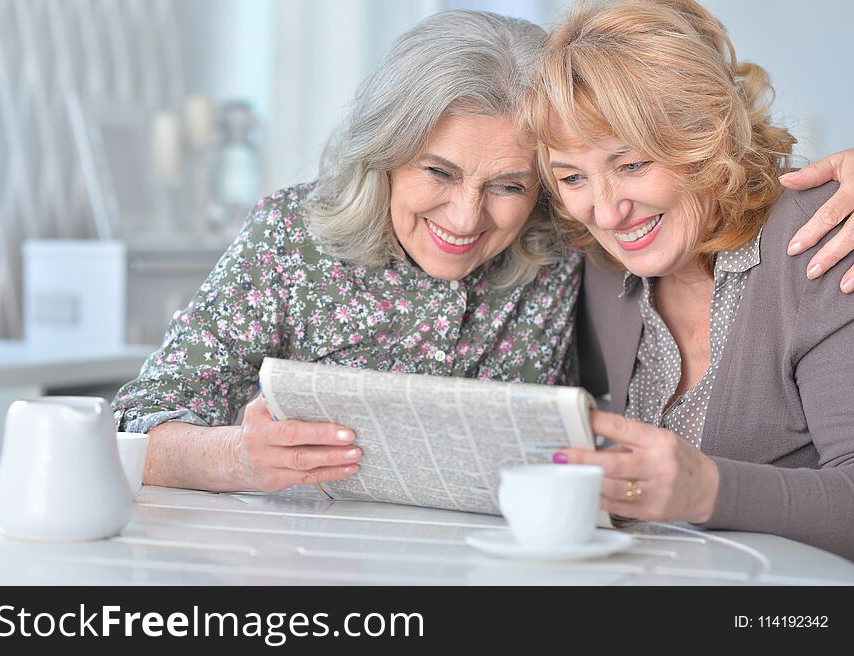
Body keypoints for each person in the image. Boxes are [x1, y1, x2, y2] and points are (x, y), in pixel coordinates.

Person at [114, 9, 854, 503]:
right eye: (438, 173)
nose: (466, 218)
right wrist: (237, 459)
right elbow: (128, 431)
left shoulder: (569, 243)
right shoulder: (293, 236)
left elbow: (697, 174)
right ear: (386, 154)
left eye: (508, 184)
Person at [525, 0, 854, 558]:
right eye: (573, 177)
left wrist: (707, 490)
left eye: (631, 165)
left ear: (706, 136)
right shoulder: (594, 262)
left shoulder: (824, 239)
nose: (606, 213)